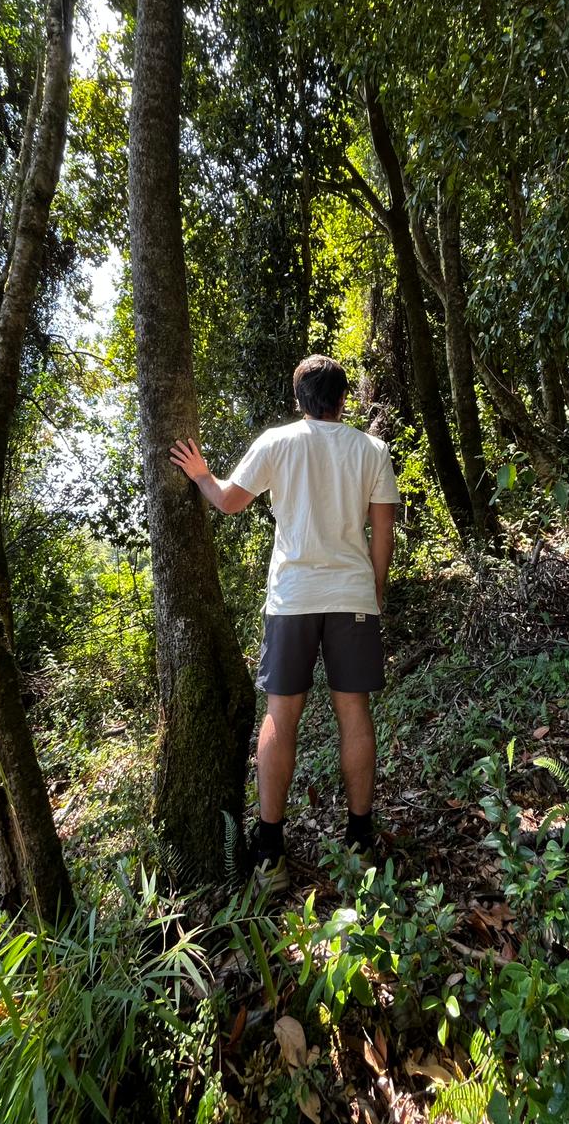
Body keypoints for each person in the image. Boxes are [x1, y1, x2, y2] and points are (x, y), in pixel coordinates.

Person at [169, 355, 399, 891]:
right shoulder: (372, 450)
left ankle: (270, 852)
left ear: (300, 400)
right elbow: (382, 532)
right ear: (344, 399)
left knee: (281, 716)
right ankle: (360, 843)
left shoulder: (278, 441)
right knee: (354, 712)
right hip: (351, 597)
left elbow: (228, 502)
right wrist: (376, 589)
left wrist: (201, 474)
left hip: (292, 597)